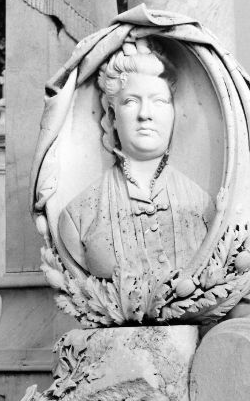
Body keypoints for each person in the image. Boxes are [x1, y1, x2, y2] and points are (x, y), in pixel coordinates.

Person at [58, 38, 214, 280]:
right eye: (131, 101)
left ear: (174, 113)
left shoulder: (204, 206)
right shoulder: (78, 216)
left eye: (159, 101)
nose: (145, 115)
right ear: (112, 115)